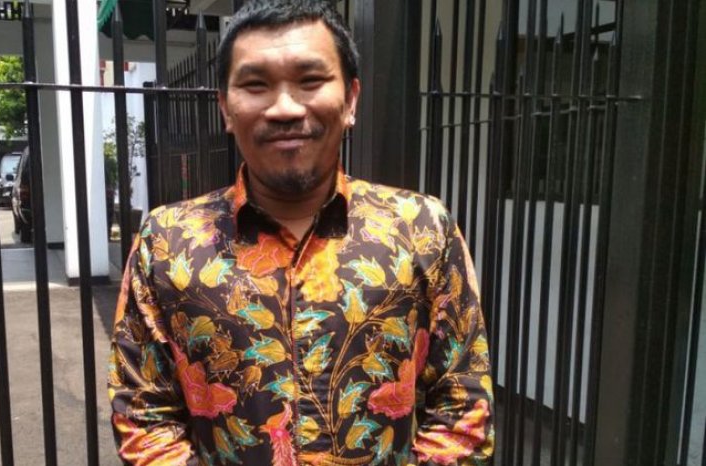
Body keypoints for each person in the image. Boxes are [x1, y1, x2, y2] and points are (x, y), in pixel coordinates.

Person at [108, 1, 494, 465]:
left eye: (310, 81)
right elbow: (144, 419)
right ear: (225, 107)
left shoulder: (422, 228)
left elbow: (463, 409)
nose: (285, 108)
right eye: (256, 85)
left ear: (351, 99)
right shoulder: (167, 242)